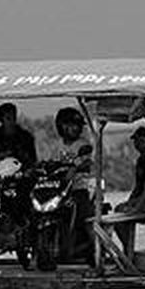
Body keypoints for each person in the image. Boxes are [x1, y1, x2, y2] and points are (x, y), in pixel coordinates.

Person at [51, 106, 95, 262]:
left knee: (84, 217)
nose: (76, 128)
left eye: (78, 126)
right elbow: (52, 163)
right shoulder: (58, 145)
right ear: (62, 126)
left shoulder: (83, 144)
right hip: (60, 189)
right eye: (72, 125)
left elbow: (86, 161)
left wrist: (75, 167)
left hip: (79, 188)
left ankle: (96, 250)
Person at [113, 127, 145, 252]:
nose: (136, 144)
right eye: (135, 141)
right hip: (142, 199)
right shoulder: (141, 160)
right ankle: (128, 249)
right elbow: (138, 186)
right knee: (119, 210)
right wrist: (130, 201)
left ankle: (128, 250)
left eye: (139, 141)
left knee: (124, 213)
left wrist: (136, 208)